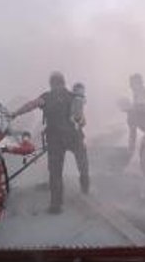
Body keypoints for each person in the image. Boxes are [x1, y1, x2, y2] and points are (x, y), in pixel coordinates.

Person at [11, 71, 89, 213]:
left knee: (55, 173)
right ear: (64, 82)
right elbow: (82, 121)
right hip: (75, 137)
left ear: (51, 83)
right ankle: (85, 187)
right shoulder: (74, 97)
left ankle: (56, 205)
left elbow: (32, 105)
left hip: (55, 139)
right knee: (83, 164)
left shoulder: (47, 97)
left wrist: (15, 113)